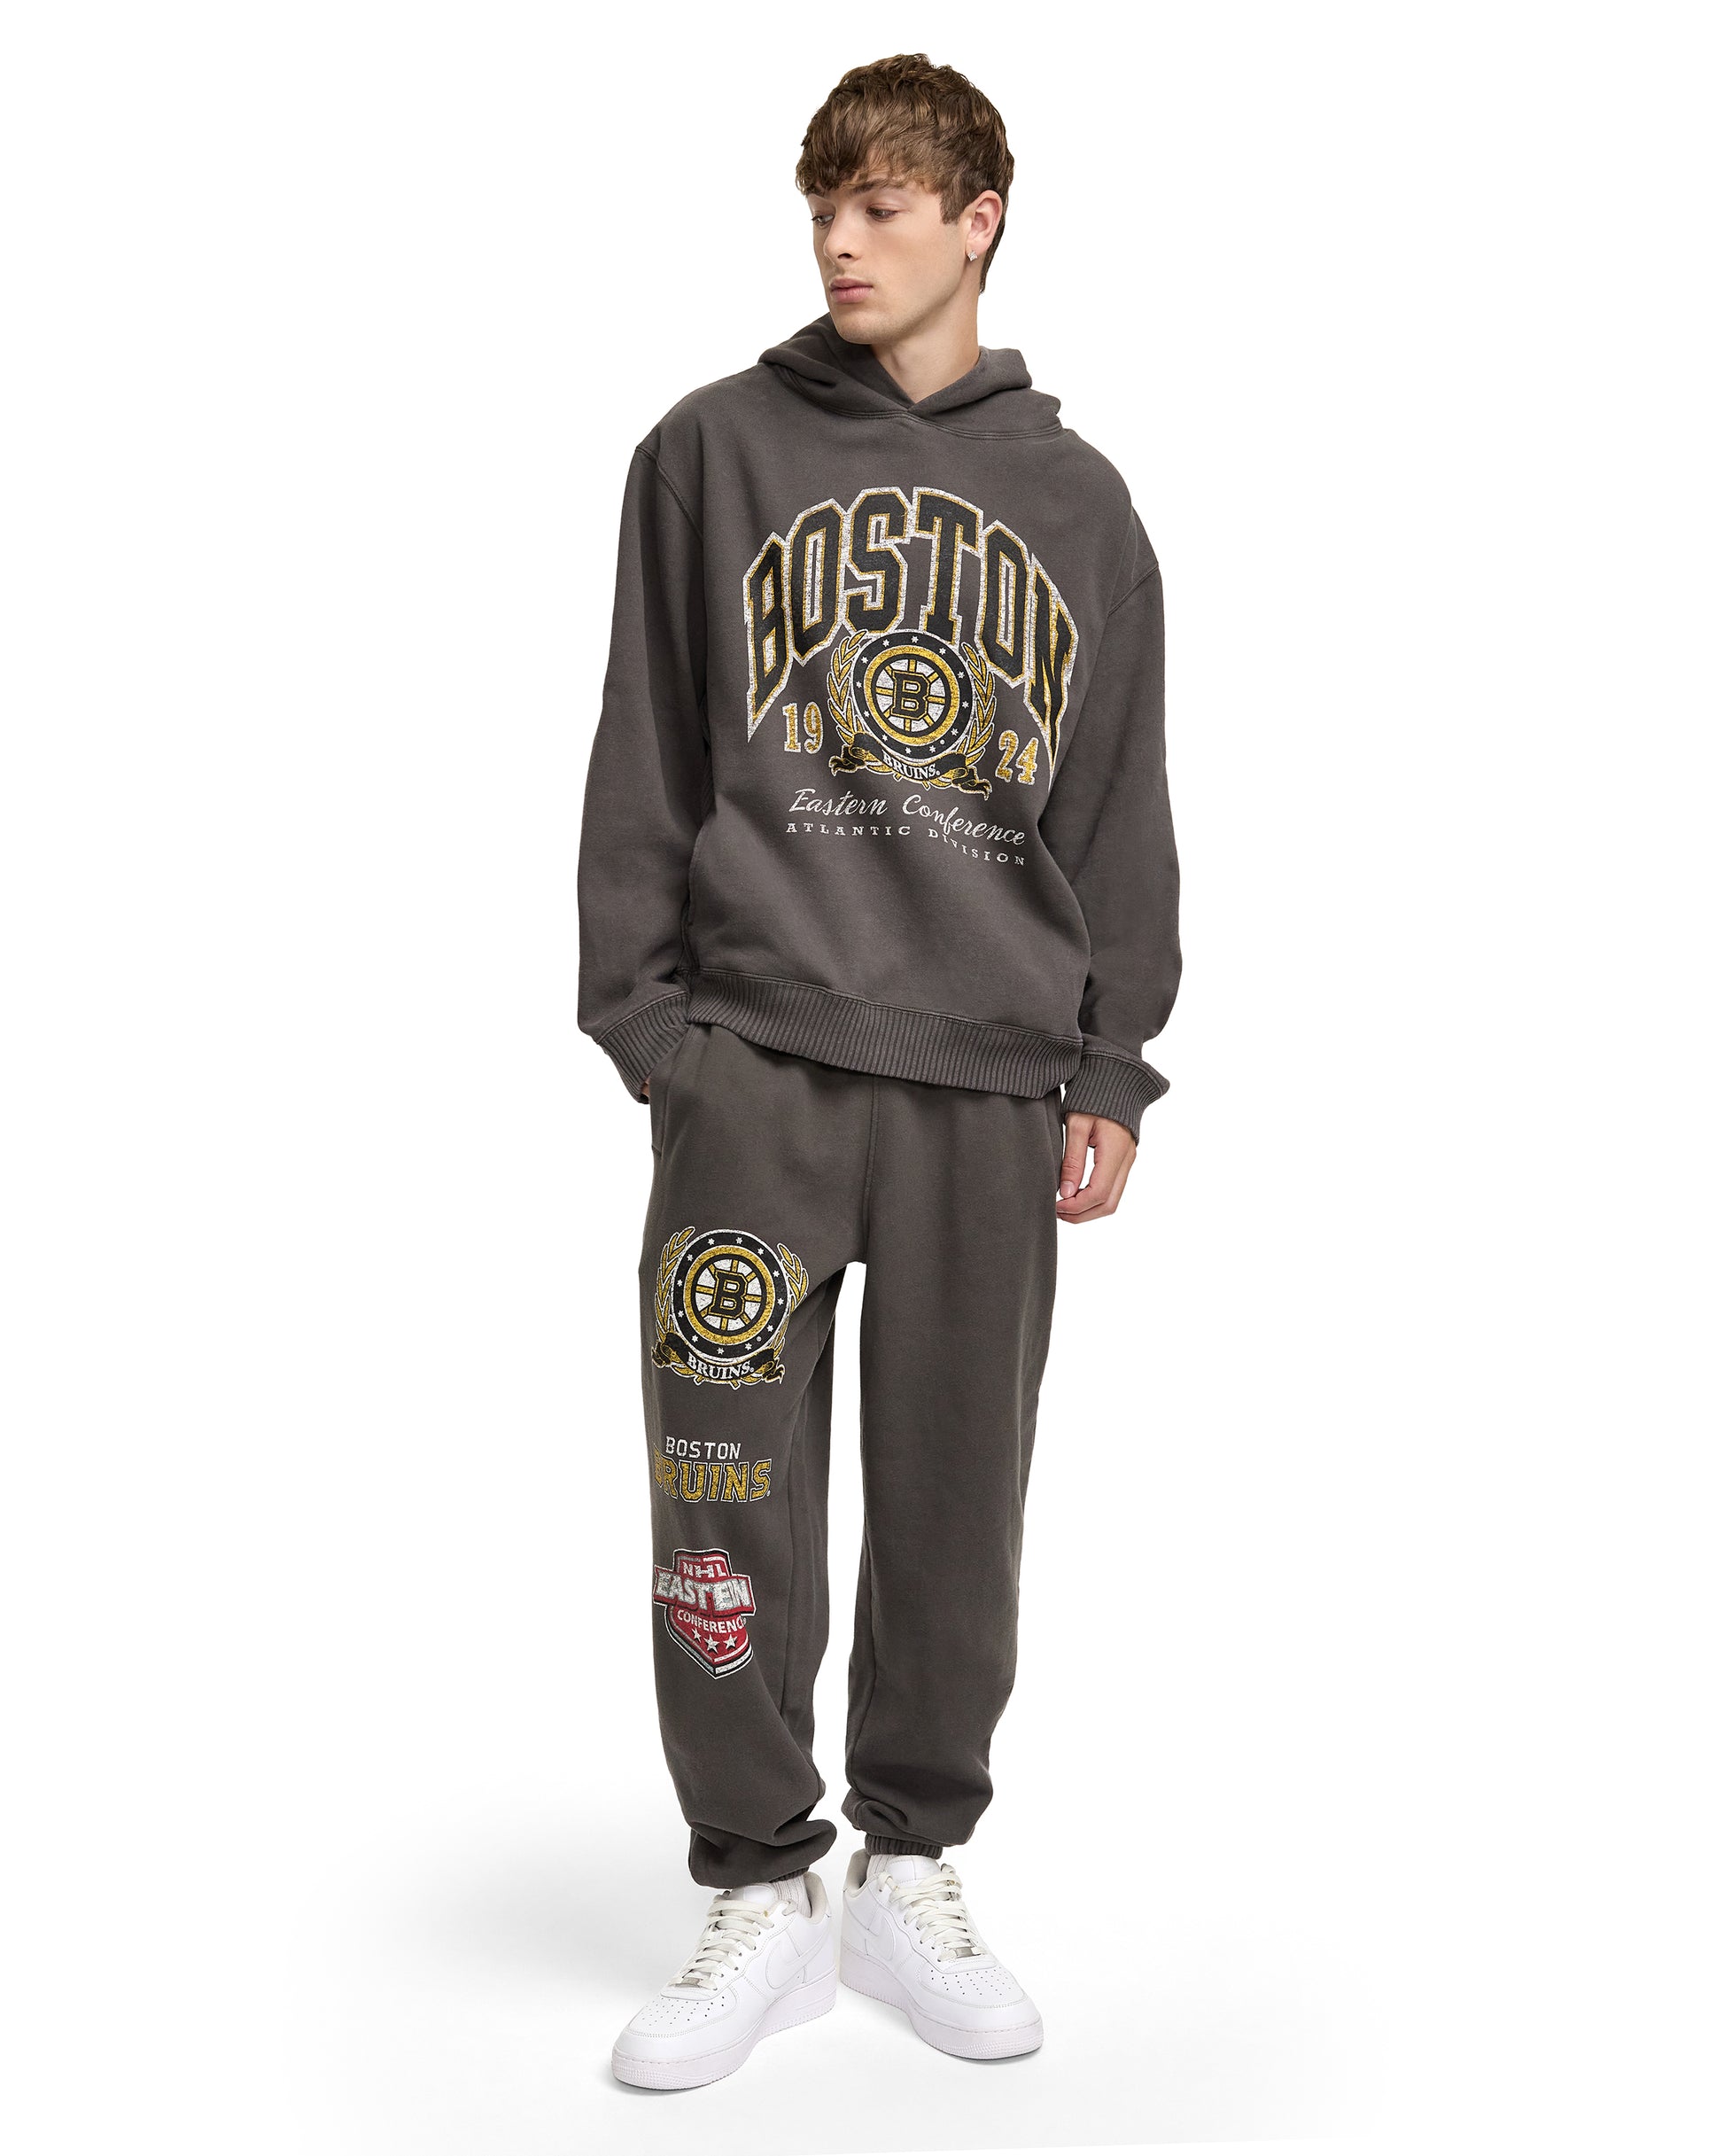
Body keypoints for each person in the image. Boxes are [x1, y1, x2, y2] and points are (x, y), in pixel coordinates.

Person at [577, 51, 1180, 2090]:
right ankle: (760, 1879)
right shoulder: (708, 452)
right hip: (754, 1065)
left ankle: (910, 1856)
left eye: (884, 205)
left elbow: (1114, 804)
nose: (841, 240)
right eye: (822, 204)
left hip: (986, 1082)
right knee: (720, 1484)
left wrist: (1108, 1060)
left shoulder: (1079, 508)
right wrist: (657, 1034)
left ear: (976, 220)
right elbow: (646, 748)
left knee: (952, 1502)